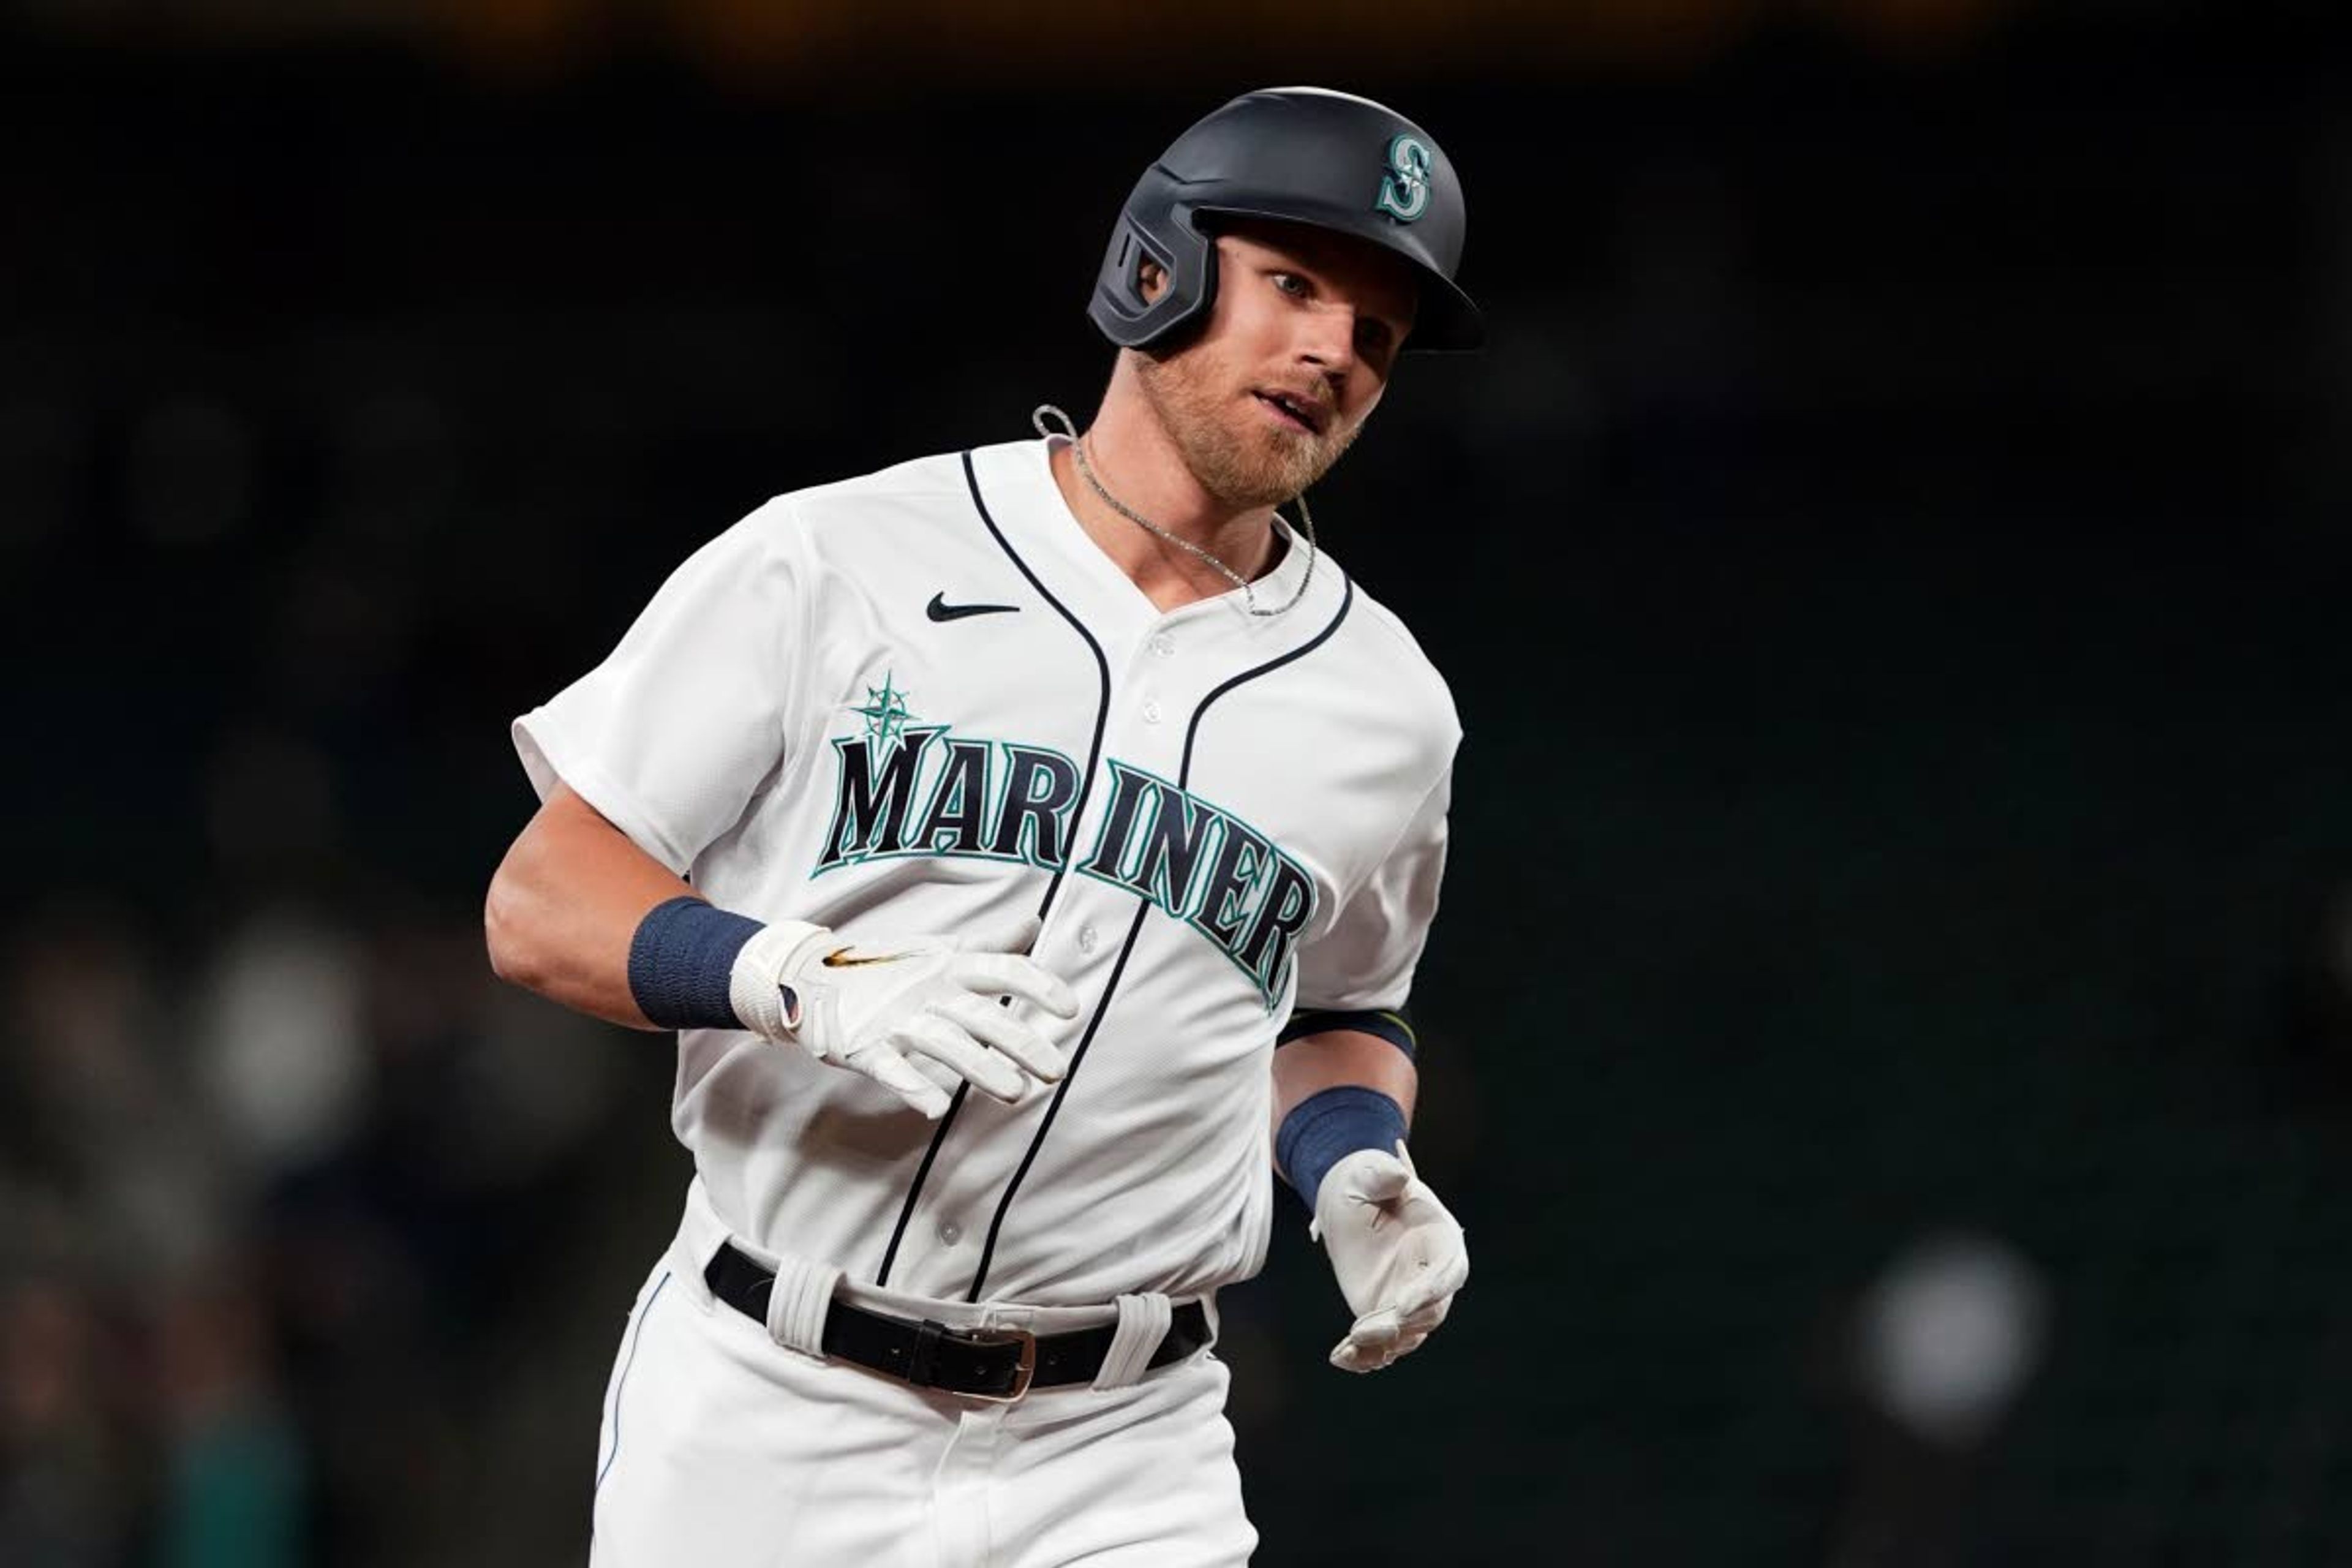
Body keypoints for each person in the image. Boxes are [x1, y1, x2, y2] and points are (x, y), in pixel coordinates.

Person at [484, 85, 1479, 1567]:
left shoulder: (1387, 707)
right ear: (1162, 265)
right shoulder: (841, 553)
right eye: (1293, 284)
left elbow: (1336, 1004)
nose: (1333, 348)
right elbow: (543, 900)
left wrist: (1349, 1157)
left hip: (1124, 1447)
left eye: (1379, 335)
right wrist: (793, 977)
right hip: (772, 1407)